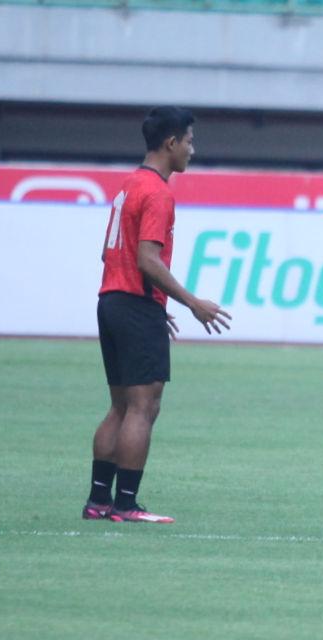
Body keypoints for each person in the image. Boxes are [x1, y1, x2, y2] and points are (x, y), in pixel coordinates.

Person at [83, 106, 231, 524]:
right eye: (189, 141)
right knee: (143, 408)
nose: (192, 150)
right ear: (171, 143)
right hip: (133, 304)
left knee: (120, 407)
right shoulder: (159, 193)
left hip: (113, 301)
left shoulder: (128, 185)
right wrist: (191, 303)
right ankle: (126, 505)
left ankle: (98, 501)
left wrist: (151, 303)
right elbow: (148, 259)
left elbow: (111, 253)